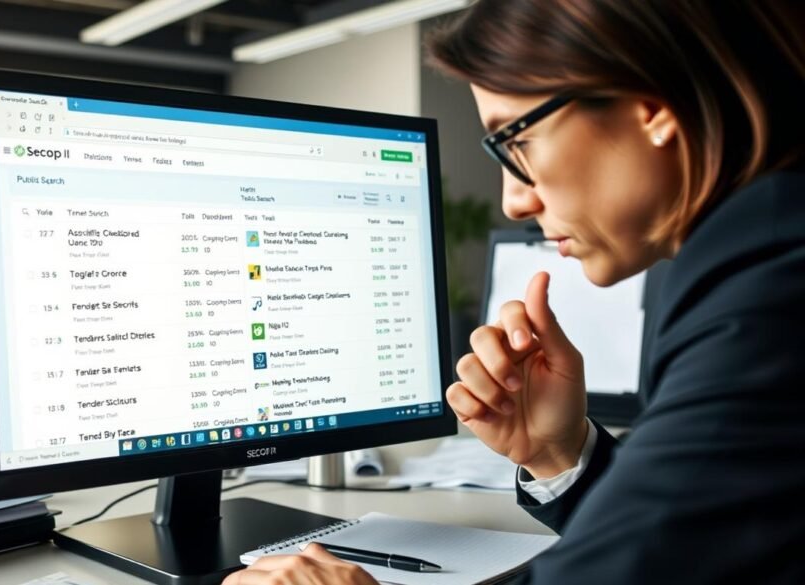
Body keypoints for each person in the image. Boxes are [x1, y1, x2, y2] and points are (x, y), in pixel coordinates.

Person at [224, 0, 805, 583]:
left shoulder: (772, 284)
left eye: (516, 142)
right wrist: (559, 453)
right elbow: (691, 547)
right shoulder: (759, 246)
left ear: (650, 107)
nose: (513, 202)